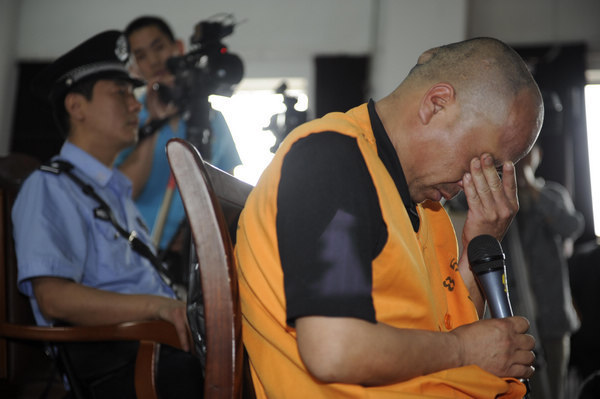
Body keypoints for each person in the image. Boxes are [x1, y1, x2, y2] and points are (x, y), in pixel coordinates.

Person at [235, 37, 544, 398]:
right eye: (485, 161)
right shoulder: (336, 161)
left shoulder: (425, 211)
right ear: (437, 104)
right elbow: (334, 349)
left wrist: (478, 244)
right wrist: (464, 349)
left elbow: (439, 341)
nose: (478, 182)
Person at [13, 30, 203, 398]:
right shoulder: (49, 186)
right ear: (76, 107)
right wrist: (158, 307)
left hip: (153, 346)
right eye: (121, 93)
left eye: (132, 95)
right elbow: (54, 298)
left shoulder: (113, 191)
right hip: (118, 360)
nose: (136, 105)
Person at [116, 16, 241, 269]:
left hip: (203, 257)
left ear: (179, 48)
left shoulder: (212, 119)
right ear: (135, 67)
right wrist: (153, 123)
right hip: (140, 255)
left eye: (159, 47)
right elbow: (122, 190)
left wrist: (204, 230)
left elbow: (229, 190)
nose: (153, 60)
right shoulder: (129, 119)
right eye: (141, 55)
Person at [515, 143, 583, 399]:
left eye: (528, 151)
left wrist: (531, 186)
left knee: (555, 390)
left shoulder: (552, 193)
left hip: (553, 315)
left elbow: (571, 226)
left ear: (538, 155)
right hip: (522, 318)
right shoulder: (505, 198)